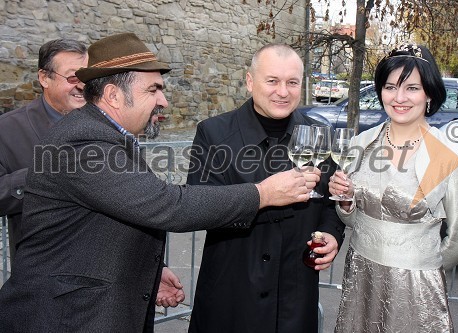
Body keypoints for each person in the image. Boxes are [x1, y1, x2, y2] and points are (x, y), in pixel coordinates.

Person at [0, 33, 322, 332]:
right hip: (63, 318)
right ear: (113, 95)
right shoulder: (84, 144)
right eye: (153, 89)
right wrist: (263, 193)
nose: (163, 101)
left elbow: (109, 225)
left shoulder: (111, 138)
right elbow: (169, 206)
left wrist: (150, 273)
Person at [186, 43, 345, 333]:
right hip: (233, 294)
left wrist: (333, 233)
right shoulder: (214, 133)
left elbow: (331, 201)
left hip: (294, 297)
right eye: (272, 81)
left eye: (292, 82)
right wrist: (263, 195)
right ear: (250, 81)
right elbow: (199, 207)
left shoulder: (321, 135)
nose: (282, 92)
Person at [329, 43, 458, 332]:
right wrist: (346, 202)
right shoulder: (361, 144)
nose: (399, 98)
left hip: (415, 288)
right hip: (360, 275)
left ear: (430, 94)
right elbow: (353, 219)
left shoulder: (449, 157)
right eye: (390, 87)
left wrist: (421, 266)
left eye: (412, 88)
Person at [0, 39, 88, 264]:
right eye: (73, 78)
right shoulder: (7, 130)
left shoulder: (110, 123)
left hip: (107, 277)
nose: (82, 86)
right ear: (44, 78)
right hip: (43, 278)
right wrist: (44, 175)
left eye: (88, 77)